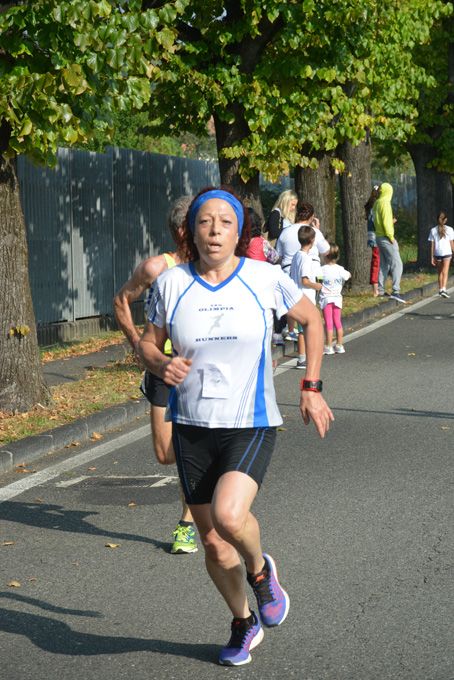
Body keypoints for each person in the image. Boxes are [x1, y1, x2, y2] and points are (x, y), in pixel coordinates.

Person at [139, 186, 334, 666]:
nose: (214, 231)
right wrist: (160, 364)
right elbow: (148, 343)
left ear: (238, 232)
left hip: (250, 420)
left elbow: (312, 321)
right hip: (191, 424)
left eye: (225, 223)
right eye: (205, 222)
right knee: (210, 541)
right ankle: (243, 621)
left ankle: (260, 570)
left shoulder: (264, 278)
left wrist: (311, 386)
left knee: (229, 517)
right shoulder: (171, 284)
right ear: (191, 232)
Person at [113, 195, 198, 556]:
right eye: (198, 224)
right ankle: (203, 463)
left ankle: (188, 523)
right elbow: (121, 301)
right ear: (181, 231)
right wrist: (138, 345)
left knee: (191, 448)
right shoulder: (156, 268)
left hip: (198, 369)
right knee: (165, 453)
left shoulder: (214, 268)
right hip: (162, 369)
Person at [276, 201, 330, 341]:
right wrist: (317, 229)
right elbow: (326, 250)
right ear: (312, 217)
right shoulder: (313, 232)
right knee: (309, 302)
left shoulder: (285, 232)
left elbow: (278, 255)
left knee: (291, 301)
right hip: (311, 272)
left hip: (289, 269)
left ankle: (291, 329)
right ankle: (309, 333)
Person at [290, 225, 322, 369]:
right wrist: (317, 286)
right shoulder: (305, 258)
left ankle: (302, 357)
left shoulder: (296, 256)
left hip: (297, 296)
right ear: (312, 240)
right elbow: (305, 280)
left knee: (302, 329)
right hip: (306, 298)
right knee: (307, 329)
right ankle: (304, 358)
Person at [372, 182, 405, 303]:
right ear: (388, 192)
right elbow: (386, 222)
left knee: (384, 264)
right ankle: (396, 291)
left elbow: (377, 220)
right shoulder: (385, 203)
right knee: (397, 263)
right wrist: (391, 237)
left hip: (378, 236)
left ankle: (380, 290)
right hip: (386, 237)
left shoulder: (377, 203)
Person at [318, 244, 351, 355]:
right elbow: (348, 275)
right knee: (337, 321)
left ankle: (328, 345)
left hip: (326, 298)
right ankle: (339, 345)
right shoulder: (340, 269)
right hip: (337, 298)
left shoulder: (322, 270)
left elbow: (318, 281)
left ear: (325, 256)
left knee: (329, 322)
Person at [428, 211, 454, 298]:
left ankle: (440, 289)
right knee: (445, 272)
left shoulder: (433, 230)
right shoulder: (450, 229)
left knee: (440, 272)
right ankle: (444, 289)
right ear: (445, 220)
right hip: (447, 252)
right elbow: (451, 243)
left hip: (437, 253)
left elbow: (432, 245)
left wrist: (432, 257)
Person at [364, 185, 381, 296]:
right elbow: (377, 223)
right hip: (377, 237)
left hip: (371, 236)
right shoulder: (376, 206)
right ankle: (376, 289)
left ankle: (377, 288)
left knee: (376, 261)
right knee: (377, 262)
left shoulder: (370, 205)